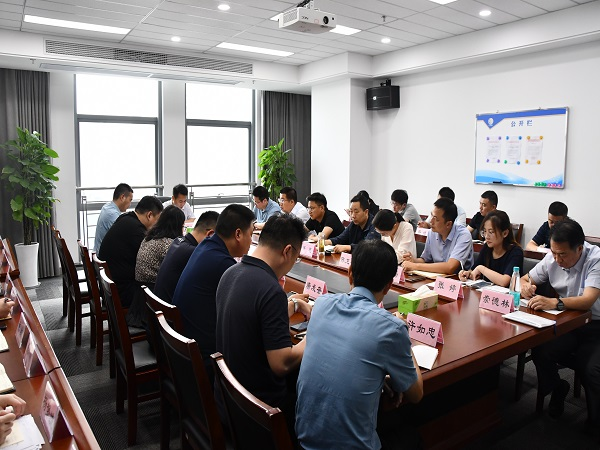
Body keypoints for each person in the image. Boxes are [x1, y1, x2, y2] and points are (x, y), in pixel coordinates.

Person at [295, 240, 423, 450]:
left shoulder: (321, 305)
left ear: (349, 273)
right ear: (388, 286)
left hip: (304, 441)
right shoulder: (392, 329)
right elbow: (416, 394)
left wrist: (376, 375)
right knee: (413, 435)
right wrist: (404, 337)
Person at [215, 214, 312, 431]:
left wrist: (293, 304)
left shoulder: (230, 273)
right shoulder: (270, 289)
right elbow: (282, 364)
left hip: (229, 398)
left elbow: (254, 319)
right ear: (287, 251)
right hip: (259, 412)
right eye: (296, 258)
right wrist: (316, 331)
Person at [521, 219, 600, 431]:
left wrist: (555, 302)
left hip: (596, 326)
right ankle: (558, 387)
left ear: (579, 249)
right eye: (554, 253)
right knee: (541, 350)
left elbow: (588, 300)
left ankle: (595, 422)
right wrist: (526, 286)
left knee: (590, 368)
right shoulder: (553, 257)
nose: (557, 259)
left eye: (562, 254)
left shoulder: (596, 259)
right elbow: (524, 279)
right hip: (569, 323)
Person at [172, 204, 256, 382]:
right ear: (238, 234)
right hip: (205, 358)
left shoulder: (206, 246)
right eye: (251, 234)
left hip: (184, 348)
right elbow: (249, 315)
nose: (251, 240)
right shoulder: (223, 264)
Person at [98, 195, 163, 308]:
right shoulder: (137, 231)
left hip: (109, 288)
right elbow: (148, 260)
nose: (157, 225)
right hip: (122, 292)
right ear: (149, 215)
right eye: (157, 220)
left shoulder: (125, 218)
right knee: (161, 289)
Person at [153, 210, 219, 304]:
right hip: (172, 310)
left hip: (161, 305)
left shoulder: (178, 241)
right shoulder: (194, 253)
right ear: (210, 235)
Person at [403, 197, 473, 274]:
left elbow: (450, 267)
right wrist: (413, 260)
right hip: (436, 277)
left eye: (436, 219)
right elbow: (425, 260)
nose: (431, 221)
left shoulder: (463, 235)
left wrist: (415, 266)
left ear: (448, 224)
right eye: (431, 216)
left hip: (458, 278)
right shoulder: (432, 232)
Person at [459, 210, 523, 287]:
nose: (486, 236)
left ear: (505, 233)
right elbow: (474, 270)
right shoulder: (487, 247)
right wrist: (467, 274)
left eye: (491, 232)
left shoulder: (516, 252)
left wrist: (481, 268)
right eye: (485, 231)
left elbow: (504, 281)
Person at [135, 205, 185, 291]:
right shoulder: (168, 244)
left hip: (142, 290)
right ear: (177, 226)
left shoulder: (149, 237)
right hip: (153, 290)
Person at [94, 183, 133, 252]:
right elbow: (124, 238)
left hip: (99, 253)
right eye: (130, 200)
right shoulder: (112, 215)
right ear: (122, 197)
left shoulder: (107, 207)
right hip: (104, 256)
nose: (130, 204)